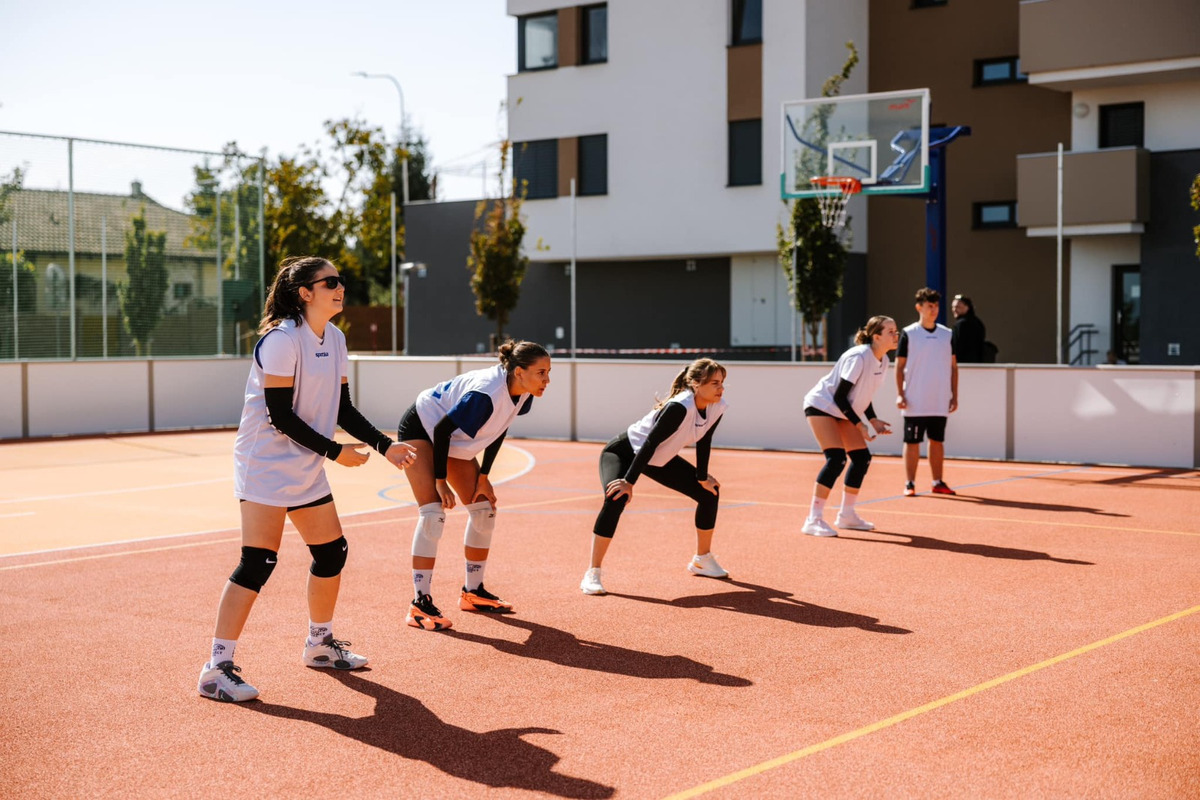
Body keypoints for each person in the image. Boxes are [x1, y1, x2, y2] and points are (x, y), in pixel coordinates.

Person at [198, 256, 418, 703]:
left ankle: (319, 644)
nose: (340, 288)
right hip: (266, 463)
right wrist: (335, 452)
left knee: (332, 552)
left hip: (304, 462)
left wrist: (384, 446)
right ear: (305, 293)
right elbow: (279, 416)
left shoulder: (335, 338)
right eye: (330, 282)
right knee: (258, 561)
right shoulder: (281, 340)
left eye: (341, 281)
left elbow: (342, 408)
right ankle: (216, 669)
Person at [396, 340, 551, 630]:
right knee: (433, 513)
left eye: (548, 372)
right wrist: (440, 481)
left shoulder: (523, 392)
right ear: (519, 372)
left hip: (449, 436)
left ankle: (473, 592)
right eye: (541, 372)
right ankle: (419, 603)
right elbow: (442, 429)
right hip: (423, 426)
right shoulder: (485, 394)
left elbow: (501, 426)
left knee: (484, 510)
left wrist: (484, 476)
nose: (547, 380)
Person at [580, 358, 729, 596]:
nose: (721, 388)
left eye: (722, 382)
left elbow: (705, 440)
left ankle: (702, 559)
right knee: (616, 497)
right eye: (714, 383)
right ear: (696, 384)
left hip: (656, 458)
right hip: (625, 451)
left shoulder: (716, 406)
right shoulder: (680, 407)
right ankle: (593, 572)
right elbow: (649, 443)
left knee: (709, 493)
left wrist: (702, 477)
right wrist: (628, 482)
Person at [800, 316, 898, 536]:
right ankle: (813, 520)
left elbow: (863, 393)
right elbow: (840, 396)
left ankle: (847, 515)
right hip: (822, 405)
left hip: (841, 409)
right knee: (836, 459)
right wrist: (859, 424)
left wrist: (872, 419)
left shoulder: (883, 360)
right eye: (890, 331)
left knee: (862, 458)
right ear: (876, 336)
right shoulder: (859, 356)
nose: (896, 335)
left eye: (896, 331)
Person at [896, 288, 958, 497]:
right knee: (912, 442)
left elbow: (953, 367)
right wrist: (900, 393)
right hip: (915, 399)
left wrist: (954, 395)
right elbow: (899, 366)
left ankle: (937, 481)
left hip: (939, 400)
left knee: (937, 441)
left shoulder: (947, 334)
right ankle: (909, 483)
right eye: (929, 306)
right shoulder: (909, 333)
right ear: (919, 307)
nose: (934, 310)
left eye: (936, 306)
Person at [951, 294, 988, 364]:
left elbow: (956, 347)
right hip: (977, 365)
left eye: (958, 307)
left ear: (967, 307)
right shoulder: (978, 323)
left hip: (962, 365)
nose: (954, 310)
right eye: (953, 307)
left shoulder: (960, 325)